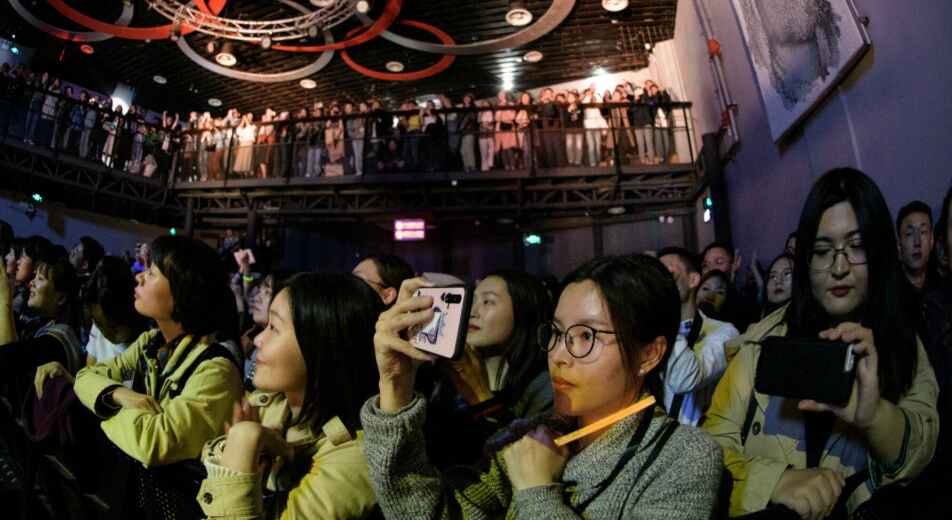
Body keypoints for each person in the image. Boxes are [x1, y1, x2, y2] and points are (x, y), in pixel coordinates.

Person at [362, 255, 723, 518]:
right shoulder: (533, 434)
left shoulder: (683, 456)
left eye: (585, 335)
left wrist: (538, 493)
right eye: (557, 332)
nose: (559, 355)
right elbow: (431, 513)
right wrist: (396, 386)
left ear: (649, 353)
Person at [703, 167, 939, 517]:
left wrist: (875, 416)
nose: (839, 267)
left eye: (857, 246)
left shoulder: (902, 343)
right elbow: (710, 445)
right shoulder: (762, 343)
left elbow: (921, 449)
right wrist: (775, 482)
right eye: (823, 250)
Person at [196, 272, 382, 518]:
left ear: (321, 345)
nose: (259, 338)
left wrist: (245, 439)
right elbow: (209, 457)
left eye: (273, 327)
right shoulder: (267, 404)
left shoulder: (354, 458)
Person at [72, 235, 243, 466]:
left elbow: (153, 443)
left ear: (183, 294)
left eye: (151, 273)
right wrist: (118, 395)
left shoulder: (216, 372)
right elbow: (84, 377)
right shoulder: (151, 342)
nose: (139, 277)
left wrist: (102, 407)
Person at [424, 269, 554, 468]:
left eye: (487, 302)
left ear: (524, 311)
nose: (473, 312)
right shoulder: (460, 373)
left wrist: (483, 400)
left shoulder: (541, 387)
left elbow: (522, 466)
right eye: (473, 301)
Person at [0, 248, 83, 404]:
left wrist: (5, 296)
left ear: (61, 298)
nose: (31, 283)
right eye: (34, 277)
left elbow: (9, 356)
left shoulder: (57, 340)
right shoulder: (38, 324)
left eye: (40, 279)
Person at [658, 246, 738, 426]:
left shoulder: (725, 333)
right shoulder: (651, 332)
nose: (660, 283)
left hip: (698, 444)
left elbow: (684, 380)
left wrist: (666, 310)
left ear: (693, 279)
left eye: (668, 274)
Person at [896, 200, 935, 292]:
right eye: (909, 234)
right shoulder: (890, 293)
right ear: (899, 244)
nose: (917, 242)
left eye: (923, 232)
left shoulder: (942, 291)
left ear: (931, 240)